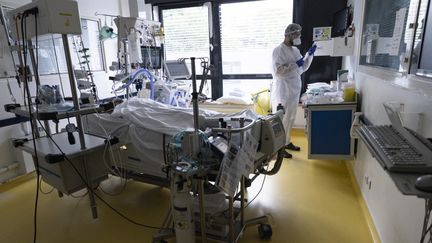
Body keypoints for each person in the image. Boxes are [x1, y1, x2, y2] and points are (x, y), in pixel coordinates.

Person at [271, 23, 317, 158]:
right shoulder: (278, 50)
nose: (299, 37)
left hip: (293, 90)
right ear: (289, 35)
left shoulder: (295, 51)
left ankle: (286, 142)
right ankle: (278, 148)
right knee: (282, 120)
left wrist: (309, 55)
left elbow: (302, 68)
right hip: (283, 91)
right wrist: (294, 65)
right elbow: (278, 71)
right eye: (296, 35)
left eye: (299, 35)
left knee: (290, 118)